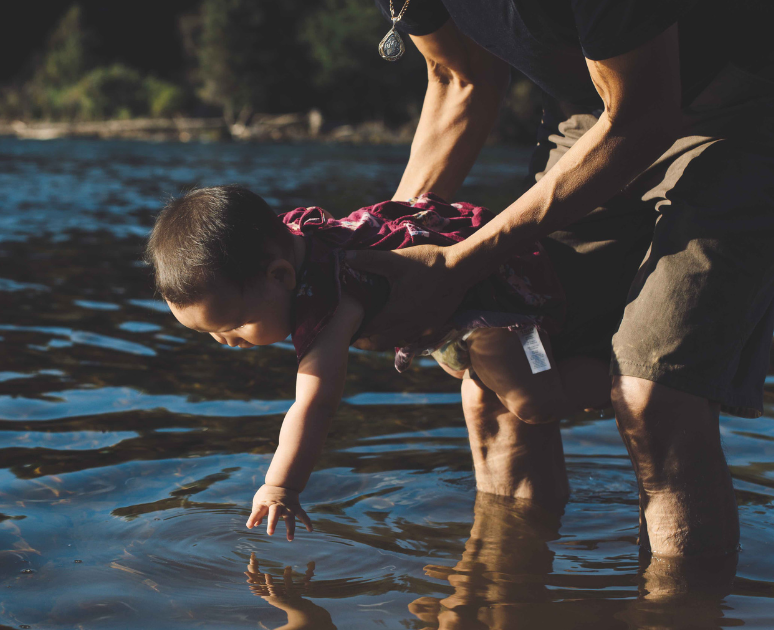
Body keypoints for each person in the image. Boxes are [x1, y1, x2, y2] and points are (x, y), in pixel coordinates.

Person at [355, 0, 774, 558]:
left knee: (655, 397)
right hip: (597, 100)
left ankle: (677, 612)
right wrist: (380, 247)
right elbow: (459, 77)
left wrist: (460, 263)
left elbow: (643, 116)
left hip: (754, 93)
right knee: (496, 368)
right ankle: (506, 599)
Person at [145, 185, 609, 540]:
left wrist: (280, 486)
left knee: (535, 403)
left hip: (501, 290)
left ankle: (617, 381)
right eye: (212, 334)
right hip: (459, 292)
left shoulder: (328, 302)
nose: (226, 341)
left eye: (237, 324)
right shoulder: (289, 239)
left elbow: (314, 405)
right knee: (475, 378)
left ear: (280, 276)